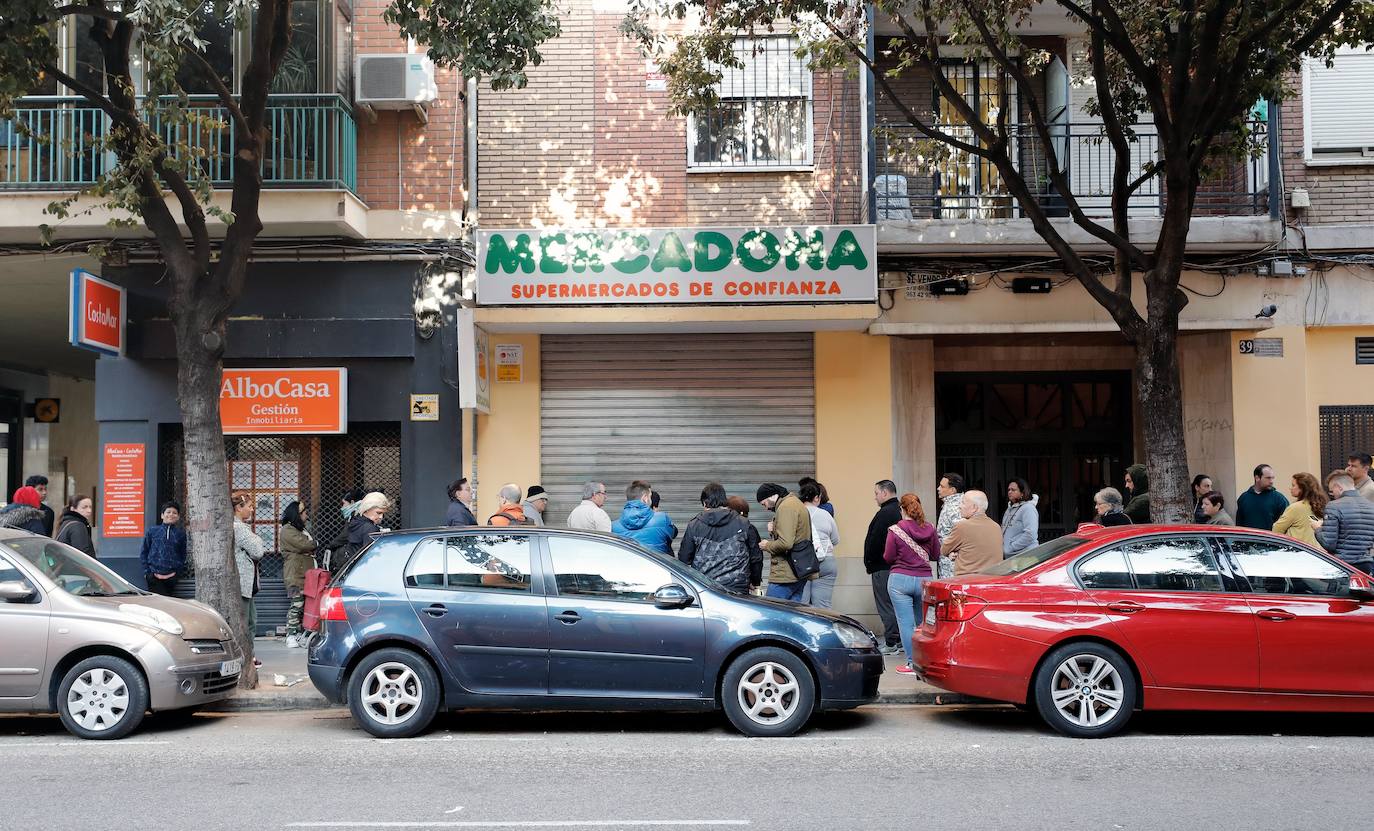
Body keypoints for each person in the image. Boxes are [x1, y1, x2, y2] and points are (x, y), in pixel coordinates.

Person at [884, 493, 938, 676]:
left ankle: (911, 663)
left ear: (902, 509)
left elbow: (888, 557)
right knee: (923, 624)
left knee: (906, 625)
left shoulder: (895, 530)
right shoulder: (930, 528)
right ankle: (925, 663)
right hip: (924, 580)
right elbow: (936, 555)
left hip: (900, 580)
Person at [677, 482, 758, 593]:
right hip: (737, 587)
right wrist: (755, 581)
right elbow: (755, 557)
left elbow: (684, 559)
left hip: (705, 588)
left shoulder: (694, 525)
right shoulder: (743, 523)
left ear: (705, 503)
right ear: (724, 501)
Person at [863, 479, 904, 653]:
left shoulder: (885, 513)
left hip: (882, 566)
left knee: (885, 604)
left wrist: (870, 562)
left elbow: (876, 541)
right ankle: (900, 640)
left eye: (876, 493)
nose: (875, 497)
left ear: (885, 493)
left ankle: (891, 641)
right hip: (894, 566)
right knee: (896, 604)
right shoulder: (898, 511)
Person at [756, 483, 813, 602]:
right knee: (791, 615)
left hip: (785, 574)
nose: (765, 508)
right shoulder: (796, 503)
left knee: (772, 611)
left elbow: (786, 543)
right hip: (798, 572)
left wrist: (767, 545)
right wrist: (774, 530)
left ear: (771, 496)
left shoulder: (786, 507)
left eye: (764, 503)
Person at [1313, 472, 1374, 573]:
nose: (1333, 495)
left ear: (1339, 487)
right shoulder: (1371, 506)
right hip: (1366, 565)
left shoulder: (1334, 506)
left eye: (1332, 491)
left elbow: (1329, 544)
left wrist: (1318, 529)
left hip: (1343, 565)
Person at [279, 501, 318, 648]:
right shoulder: (288, 530)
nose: (306, 515)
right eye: (303, 512)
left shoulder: (299, 529)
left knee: (305, 606)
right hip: (295, 575)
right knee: (297, 605)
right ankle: (291, 635)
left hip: (305, 574)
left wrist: (311, 545)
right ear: (297, 514)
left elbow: (307, 545)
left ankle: (300, 634)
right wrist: (314, 544)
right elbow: (305, 545)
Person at [232, 492, 265, 652]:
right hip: (243, 582)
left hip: (246, 583)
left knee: (250, 619)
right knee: (247, 621)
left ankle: (248, 654)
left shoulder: (240, 527)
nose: (252, 510)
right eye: (250, 506)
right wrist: (258, 539)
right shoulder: (239, 528)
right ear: (239, 508)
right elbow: (258, 551)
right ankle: (246, 655)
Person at [943, 490, 1003, 577]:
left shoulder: (962, 526)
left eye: (963, 503)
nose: (959, 506)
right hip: (991, 582)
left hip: (967, 582)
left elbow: (944, 549)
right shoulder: (996, 527)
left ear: (974, 507)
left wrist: (953, 552)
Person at [800, 482, 839, 608]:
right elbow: (835, 540)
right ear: (816, 498)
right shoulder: (825, 514)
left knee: (802, 605)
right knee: (823, 606)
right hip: (826, 561)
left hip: (803, 562)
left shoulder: (796, 514)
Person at [612, 480, 676, 555]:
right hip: (655, 566)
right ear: (645, 498)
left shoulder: (614, 526)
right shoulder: (662, 519)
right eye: (650, 496)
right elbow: (673, 534)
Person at [139, 500, 187, 595]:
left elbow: (182, 554)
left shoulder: (180, 534)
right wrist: (147, 572)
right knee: (159, 604)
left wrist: (177, 573)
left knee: (167, 603)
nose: (171, 515)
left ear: (178, 517)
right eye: (168, 512)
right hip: (154, 577)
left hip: (172, 577)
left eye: (174, 513)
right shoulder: (152, 531)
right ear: (162, 515)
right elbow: (144, 552)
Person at [340, 491, 390, 574]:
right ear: (367, 509)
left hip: (350, 570)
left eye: (383, 513)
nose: (381, 517)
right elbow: (371, 558)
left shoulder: (355, 521)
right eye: (378, 513)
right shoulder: (370, 528)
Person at [1273, 472, 1327, 547]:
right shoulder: (1322, 506)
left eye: (1293, 485)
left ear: (1302, 488)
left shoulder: (1295, 508)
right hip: (1317, 553)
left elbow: (1277, 529)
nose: (1290, 488)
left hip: (1299, 552)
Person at [727, 495, 765, 591]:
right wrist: (755, 582)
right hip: (741, 582)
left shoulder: (720, 528)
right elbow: (756, 558)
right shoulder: (749, 528)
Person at [1235, 464, 1289, 530]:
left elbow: (1287, 524)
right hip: (1247, 539)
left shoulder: (1279, 499)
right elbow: (1239, 525)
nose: (1271, 481)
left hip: (1270, 539)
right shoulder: (1243, 498)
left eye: (1272, 478)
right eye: (1268, 478)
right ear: (1257, 478)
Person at [934, 473, 966, 578]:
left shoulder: (955, 508)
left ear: (952, 490)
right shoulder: (951, 505)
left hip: (952, 566)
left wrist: (952, 552)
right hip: (948, 562)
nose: (938, 488)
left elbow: (962, 533)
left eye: (942, 486)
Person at [326, 487, 366, 571]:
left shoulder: (356, 515)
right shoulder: (357, 514)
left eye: (344, 503)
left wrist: (331, 545)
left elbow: (346, 534)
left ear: (352, 502)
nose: (342, 507)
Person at [1001, 477, 1039, 558]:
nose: (1010, 492)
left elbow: (1030, 534)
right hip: (1013, 557)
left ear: (1022, 493)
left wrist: (1011, 547)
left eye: (1013, 490)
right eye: (1008, 490)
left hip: (1026, 556)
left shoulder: (1028, 508)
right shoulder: (1009, 509)